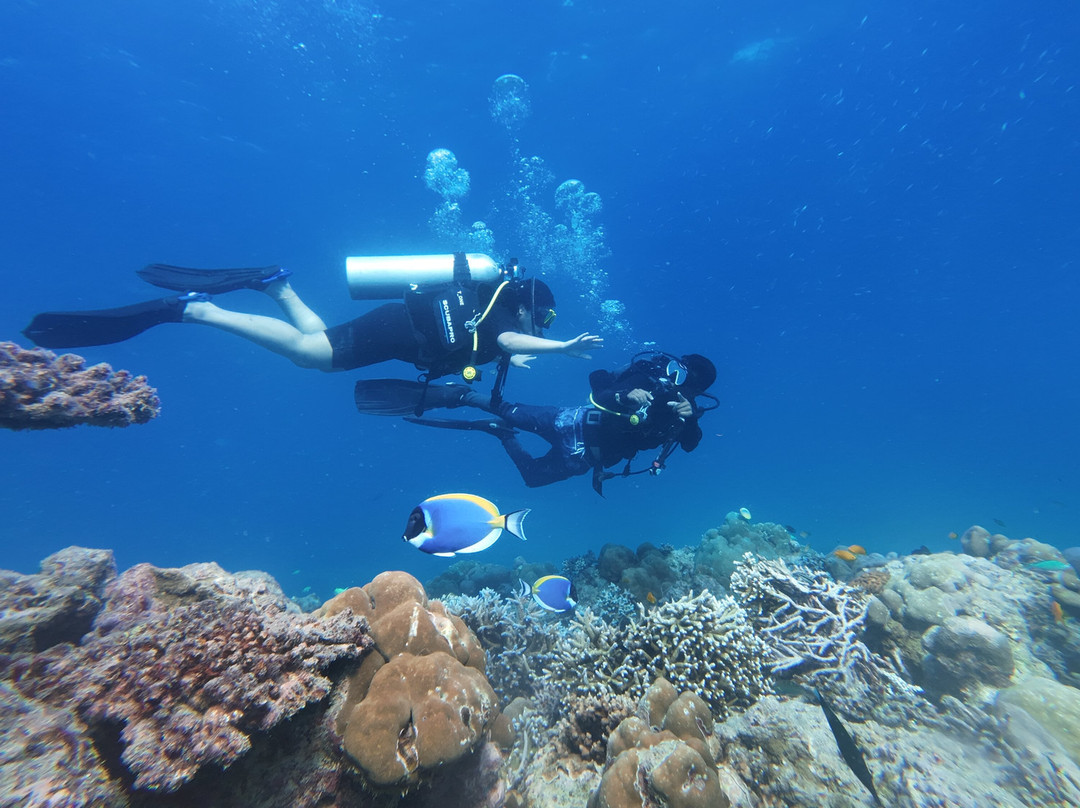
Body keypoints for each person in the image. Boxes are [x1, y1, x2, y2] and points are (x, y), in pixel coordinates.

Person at [21, 263, 603, 379]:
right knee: (311, 355)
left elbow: (500, 341)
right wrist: (560, 349)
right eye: (547, 317)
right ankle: (197, 310)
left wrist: (516, 352)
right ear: (531, 305)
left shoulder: (491, 307)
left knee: (316, 341)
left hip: (398, 326)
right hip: (399, 332)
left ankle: (276, 285)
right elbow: (504, 335)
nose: (547, 325)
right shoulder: (502, 316)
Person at [395, 351, 718, 493]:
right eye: (677, 371)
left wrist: (689, 420)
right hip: (571, 421)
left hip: (583, 457)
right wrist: (624, 396)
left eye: (688, 382)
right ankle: (463, 395)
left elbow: (691, 444)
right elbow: (598, 383)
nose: (676, 382)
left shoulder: (685, 413)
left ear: (697, 390)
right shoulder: (645, 376)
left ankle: (501, 434)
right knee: (507, 409)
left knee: (532, 478)